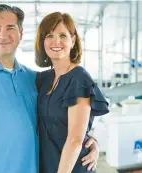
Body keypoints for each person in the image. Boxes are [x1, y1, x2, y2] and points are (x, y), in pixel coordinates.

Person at [0, 4, 101, 173]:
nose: (3, 35)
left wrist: (90, 141)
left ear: (21, 33)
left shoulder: (32, 78)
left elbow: (65, 122)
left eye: (10, 28)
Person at [35, 12, 109, 173]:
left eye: (63, 35)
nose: (56, 41)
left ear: (73, 40)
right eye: (49, 35)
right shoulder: (44, 79)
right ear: (42, 41)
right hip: (48, 164)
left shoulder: (79, 78)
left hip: (71, 168)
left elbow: (75, 140)